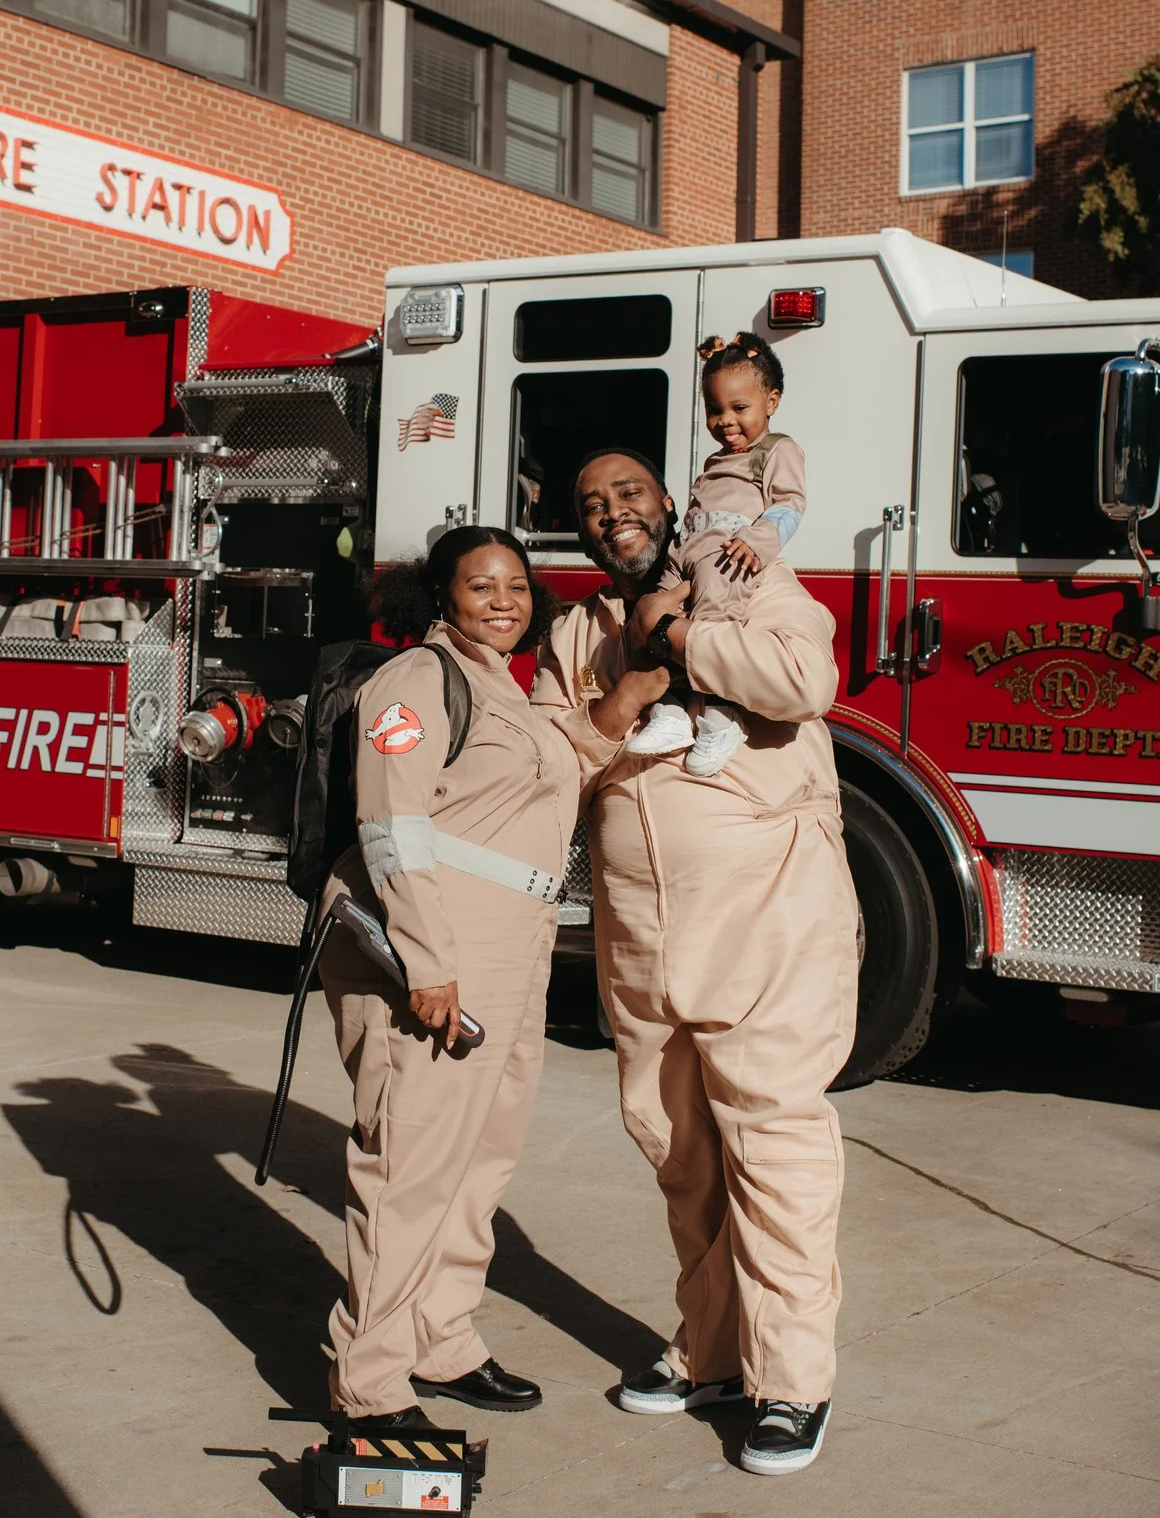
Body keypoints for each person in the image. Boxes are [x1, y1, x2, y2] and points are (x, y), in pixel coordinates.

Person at [530, 448, 858, 1477]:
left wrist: (679, 633)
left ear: (669, 503)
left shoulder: (748, 577)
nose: (610, 513)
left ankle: (791, 1379)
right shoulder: (577, 630)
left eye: (627, 493)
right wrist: (624, 688)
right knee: (674, 1142)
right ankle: (711, 1351)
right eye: (591, 504)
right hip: (639, 929)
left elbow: (805, 680)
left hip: (768, 907)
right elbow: (550, 757)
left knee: (772, 1139)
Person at [317, 526, 579, 1430]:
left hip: (516, 944)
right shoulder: (417, 682)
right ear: (441, 595)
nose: (503, 599)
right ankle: (372, 1380)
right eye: (481, 585)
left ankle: (442, 1338)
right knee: (412, 1168)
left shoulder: (506, 686)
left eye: (517, 584)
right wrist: (428, 966)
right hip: (441, 949)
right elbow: (394, 826)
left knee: (480, 1159)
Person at [623, 333, 808, 777]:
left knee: (711, 629)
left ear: (772, 401)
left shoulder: (777, 449)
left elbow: (789, 503)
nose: (725, 420)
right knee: (656, 622)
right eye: (714, 409)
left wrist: (758, 543)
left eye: (739, 408)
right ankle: (669, 711)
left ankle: (722, 716)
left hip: (728, 554)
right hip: (685, 552)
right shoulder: (714, 462)